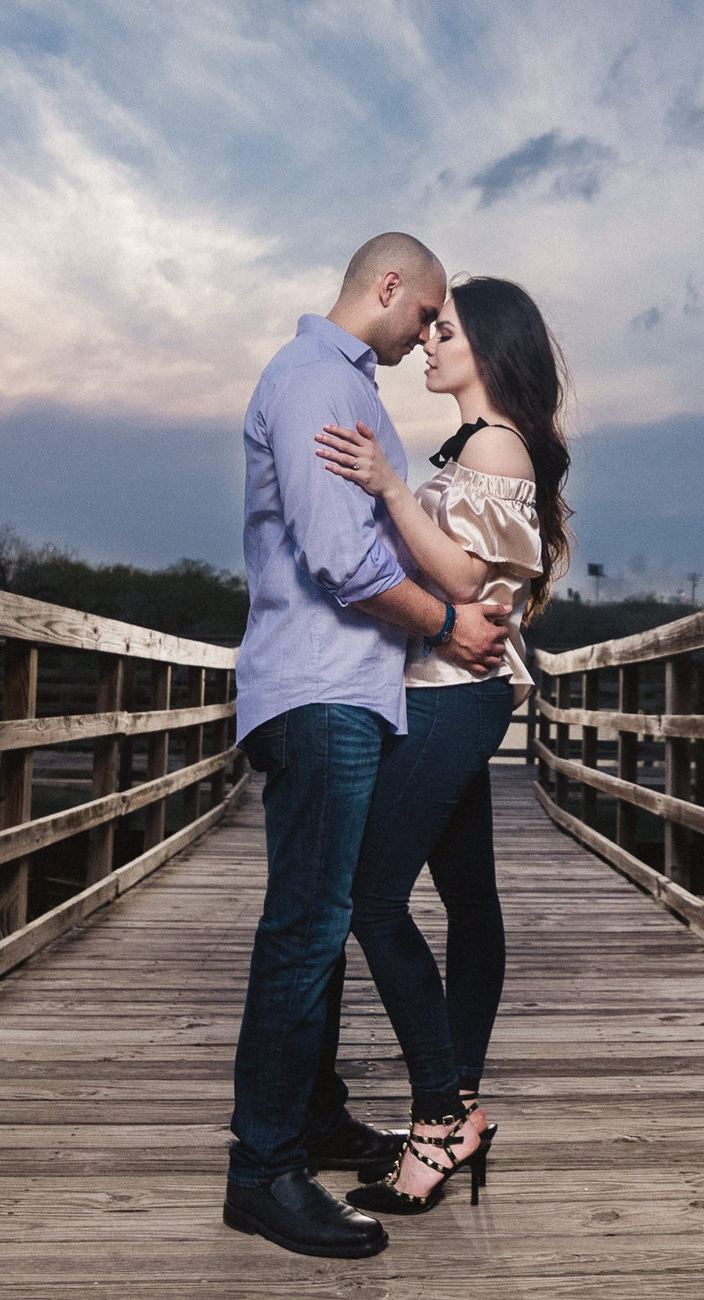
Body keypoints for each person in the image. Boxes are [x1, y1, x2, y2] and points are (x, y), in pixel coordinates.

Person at [222, 233, 514, 1261]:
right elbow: (343, 560)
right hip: (317, 688)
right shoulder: (312, 380)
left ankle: (313, 1118)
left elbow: (395, 536)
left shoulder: (350, 390)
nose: (426, 330)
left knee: (328, 916)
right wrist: (445, 625)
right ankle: (261, 1171)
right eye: (424, 310)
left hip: (350, 690)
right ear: (386, 287)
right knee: (305, 928)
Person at [312, 275, 570, 1217]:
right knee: (468, 897)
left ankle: (438, 1114)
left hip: (454, 696)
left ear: (488, 351)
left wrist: (383, 482)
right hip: (453, 690)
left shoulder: (496, 441)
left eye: (444, 330)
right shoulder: (477, 447)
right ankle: (459, 1102)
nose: (427, 342)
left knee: (373, 899)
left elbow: (464, 573)